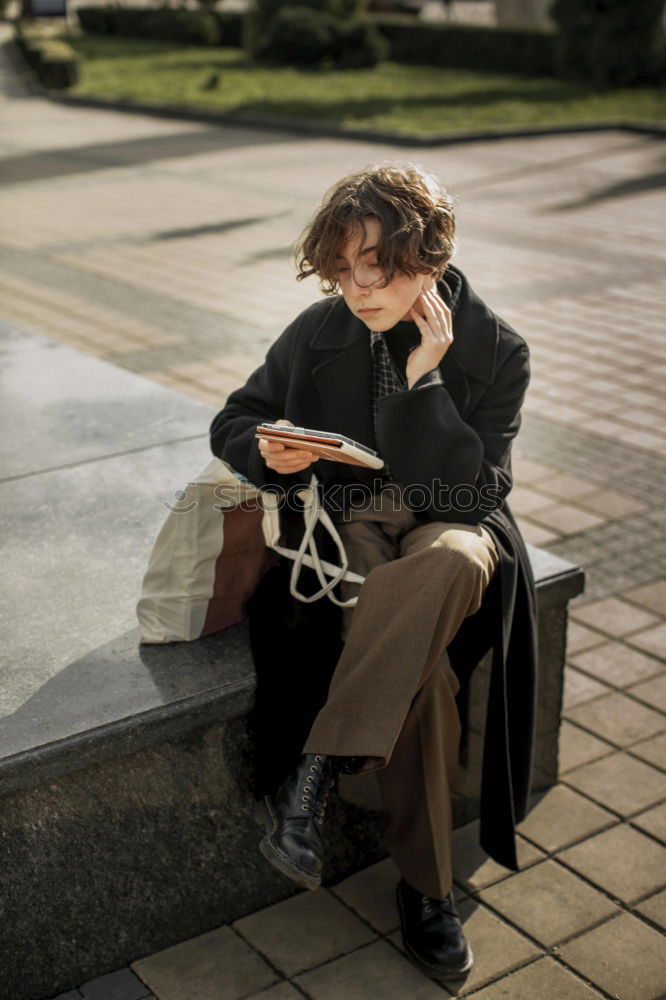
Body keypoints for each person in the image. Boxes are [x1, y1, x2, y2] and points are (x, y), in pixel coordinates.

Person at [209, 163, 537, 983]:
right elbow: (236, 417)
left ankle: (313, 774)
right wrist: (268, 452)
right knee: (418, 682)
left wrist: (426, 379)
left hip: (448, 529)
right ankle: (427, 893)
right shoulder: (317, 332)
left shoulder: (497, 352)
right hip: (348, 529)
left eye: (377, 268)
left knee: (455, 556)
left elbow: (472, 493)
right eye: (342, 270)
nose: (356, 289)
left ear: (431, 253)